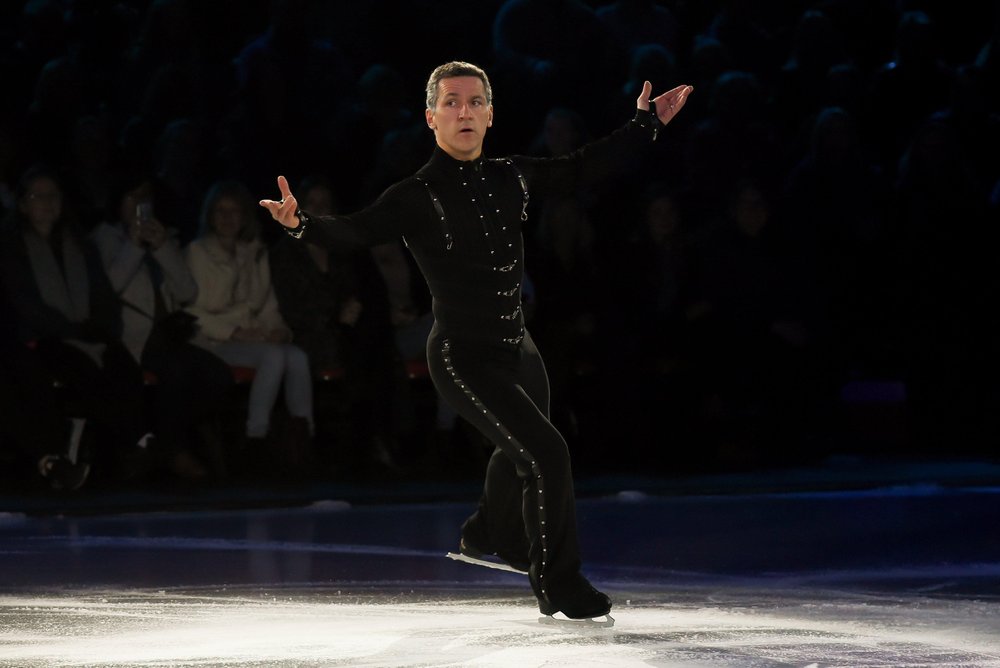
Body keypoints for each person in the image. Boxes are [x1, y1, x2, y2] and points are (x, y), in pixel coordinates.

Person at [260, 61, 692, 620]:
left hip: (518, 347)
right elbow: (357, 230)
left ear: (490, 114)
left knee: (523, 447)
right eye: (450, 102)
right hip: (462, 356)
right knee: (548, 453)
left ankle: (486, 531)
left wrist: (645, 126)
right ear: (430, 117)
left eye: (473, 102)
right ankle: (558, 582)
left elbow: (583, 168)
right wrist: (303, 225)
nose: (463, 112)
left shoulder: (512, 174)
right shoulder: (415, 194)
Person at [90, 174, 235, 480]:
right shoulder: (103, 240)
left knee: (219, 375)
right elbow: (109, 288)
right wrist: (133, 245)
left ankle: (164, 437)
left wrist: (162, 248)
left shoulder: (164, 236)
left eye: (146, 199)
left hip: (171, 336)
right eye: (133, 197)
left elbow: (187, 292)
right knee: (176, 371)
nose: (141, 205)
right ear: (119, 201)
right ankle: (174, 450)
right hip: (132, 339)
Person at [186, 179, 314, 474]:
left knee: (295, 356)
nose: (227, 218)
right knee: (273, 356)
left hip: (252, 339)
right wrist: (234, 332)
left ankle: (302, 439)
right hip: (213, 341)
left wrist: (279, 329)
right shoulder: (197, 251)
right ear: (210, 215)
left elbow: (267, 306)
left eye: (234, 211)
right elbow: (193, 310)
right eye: (220, 211)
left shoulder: (255, 252)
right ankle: (255, 439)